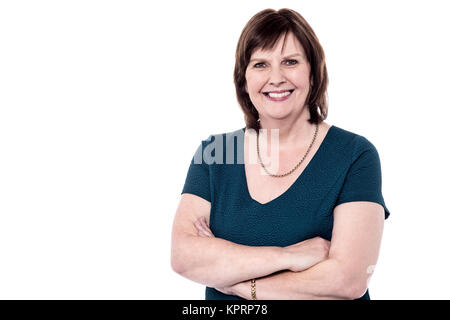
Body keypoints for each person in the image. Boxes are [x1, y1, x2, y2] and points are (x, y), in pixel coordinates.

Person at [171, 8, 390, 300]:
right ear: (244, 79)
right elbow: (184, 257)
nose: (276, 77)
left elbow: (348, 280)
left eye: (290, 62)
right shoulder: (217, 153)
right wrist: (288, 256)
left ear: (313, 72)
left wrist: (243, 286)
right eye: (260, 64)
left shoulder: (354, 155)